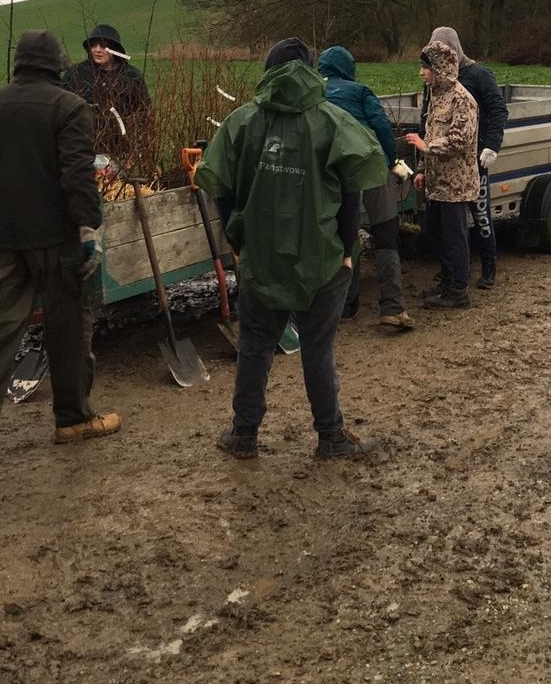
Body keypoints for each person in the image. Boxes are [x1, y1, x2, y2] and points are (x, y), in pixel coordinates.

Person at [196, 37, 386, 461]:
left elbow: (218, 184)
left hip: (261, 259)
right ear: (309, 71)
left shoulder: (240, 122)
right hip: (323, 257)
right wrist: (348, 248)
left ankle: (243, 434)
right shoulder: (333, 122)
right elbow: (351, 188)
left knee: (255, 344)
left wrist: (236, 239)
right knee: (318, 346)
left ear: (268, 70)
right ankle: (330, 436)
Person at [0, 31, 118, 469]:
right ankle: (72, 420)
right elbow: (77, 175)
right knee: (67, 331)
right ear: (58, 65)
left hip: (1, 239)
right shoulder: (69, 107)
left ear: (19, 64)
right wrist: (89, 230)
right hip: (56, 241)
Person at [318, 45, 413, 331]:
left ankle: (347, 306)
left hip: (335, 172)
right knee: (385, 233)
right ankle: (392, 308)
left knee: (346, 238)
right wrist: (392, 158)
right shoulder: (360, 91)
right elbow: (381, 127)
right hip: (371, 167)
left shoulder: (314, 94)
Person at [428, 27, 508, 288]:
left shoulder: (478, 75)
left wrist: (492, 145)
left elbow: (497, 109)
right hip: (443, 161)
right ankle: (449, 272)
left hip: (474, 158)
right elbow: (427, 117)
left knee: (481, 213)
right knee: (448, 225)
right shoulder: (437, 79)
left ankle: (488, 266)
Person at [404, 40, 479, 310]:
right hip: (437, 183)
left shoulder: (463, 100)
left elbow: (460, 139)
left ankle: (459, 290)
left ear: (439, 69)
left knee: (455, 237)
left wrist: (426, 148)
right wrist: (423, 169)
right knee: (438, 235)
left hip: (456, 184)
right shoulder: (436, 96)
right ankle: (446, 281)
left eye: (425, 68)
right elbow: (432, 133)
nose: (421, 73)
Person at [65, 23, 151, 160]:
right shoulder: (76, 74)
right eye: (93, 46)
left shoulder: (131, 76)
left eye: (103, 46)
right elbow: (62, 111)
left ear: (115, 49)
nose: (97, 50)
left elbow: (144, 112)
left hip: (123, 149)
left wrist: (139, 144)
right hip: (83, 149)